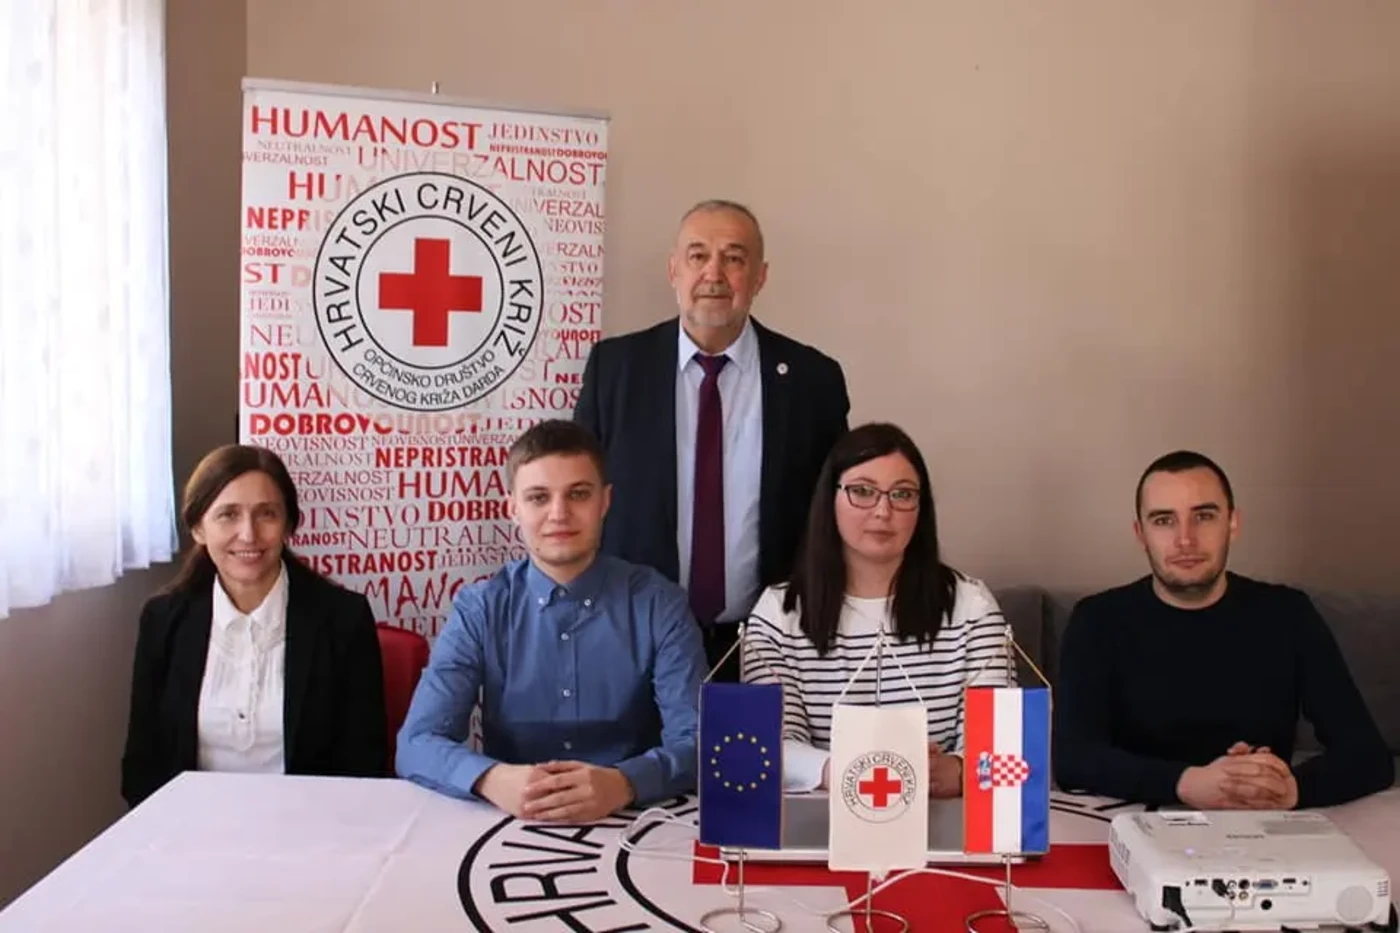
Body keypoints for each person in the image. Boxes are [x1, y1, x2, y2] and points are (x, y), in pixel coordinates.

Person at [574, 199, 850, 681]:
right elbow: (579, 494)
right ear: (673, 270)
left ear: (760, 276)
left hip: (768, 647)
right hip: (634, 642)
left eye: (734, 258)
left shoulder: (813, 381)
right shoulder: (615, 370)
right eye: (698, 255)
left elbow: (837, 513)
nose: (714, 274)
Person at [396, 419, 707, 823]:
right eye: (538, 497)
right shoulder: (480, 609)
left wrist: (626, 782)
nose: (559, 514)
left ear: (605, 501)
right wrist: (490, 778)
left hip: (637, 820)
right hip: (509, 821)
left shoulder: (659, 604)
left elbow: (700, 740)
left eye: (578, 494)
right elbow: (417, 743)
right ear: (513, 508)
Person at [1052, 450, 1393, 809]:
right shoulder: (1097, 620)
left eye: (1203, 516)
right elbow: (1073, 758)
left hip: (1260, 820)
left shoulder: (1288, 614)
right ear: (1141, 534)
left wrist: (1289, 789)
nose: (1186, 540)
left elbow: (1368, 755)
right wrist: (1186, 783)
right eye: (1164, 520)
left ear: (1232, 523)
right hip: (1135, 820)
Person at [739, 423, 1014, 795]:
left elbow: (1003, 741)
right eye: (863, 491)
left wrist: (957, 771)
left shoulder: (972, 607)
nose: (883, 511)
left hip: (941, 814)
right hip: (823, 814)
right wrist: (841, 770)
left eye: (902, 494)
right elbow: (769, 743)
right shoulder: (778, 613)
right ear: (830, 499)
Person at [120, 445, 388, 808]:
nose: (248, 534)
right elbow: (141, 769)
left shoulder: (343, 619)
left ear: (288, 525)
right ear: (198, 528)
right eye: (228, 515)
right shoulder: (163, 619)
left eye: (267, 514)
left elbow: (364, 766)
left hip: (311, 825)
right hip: (192, 827)